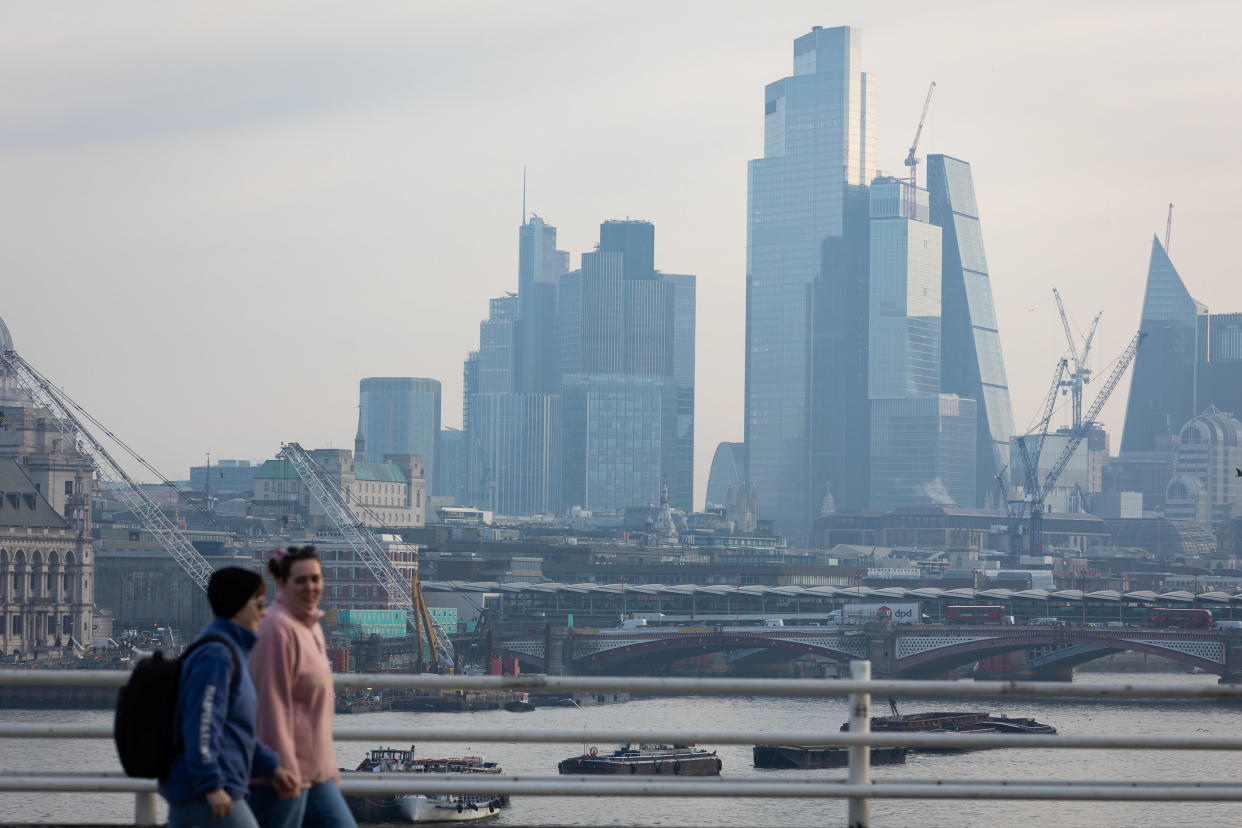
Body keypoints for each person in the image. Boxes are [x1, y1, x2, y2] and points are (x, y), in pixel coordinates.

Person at [159, 567, 298, 827]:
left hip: (215, 788)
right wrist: (211, 786)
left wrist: (271, 766)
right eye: (258, 604)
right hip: (205, 794)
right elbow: (202, 725)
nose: (264, 611)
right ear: (238, 607)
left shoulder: (230, 651)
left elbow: (234, 728)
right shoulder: (217, 657)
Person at [250, 546, 356, 828]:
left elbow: (315, 712)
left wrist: (329, 767)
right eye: (300, 580)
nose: (310, 586)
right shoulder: (276, 629)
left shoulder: (312, 627)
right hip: (285, 775)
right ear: (282, 583)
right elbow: (270, 706)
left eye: (315, 578)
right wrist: (283, 768)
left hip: (316, 773)